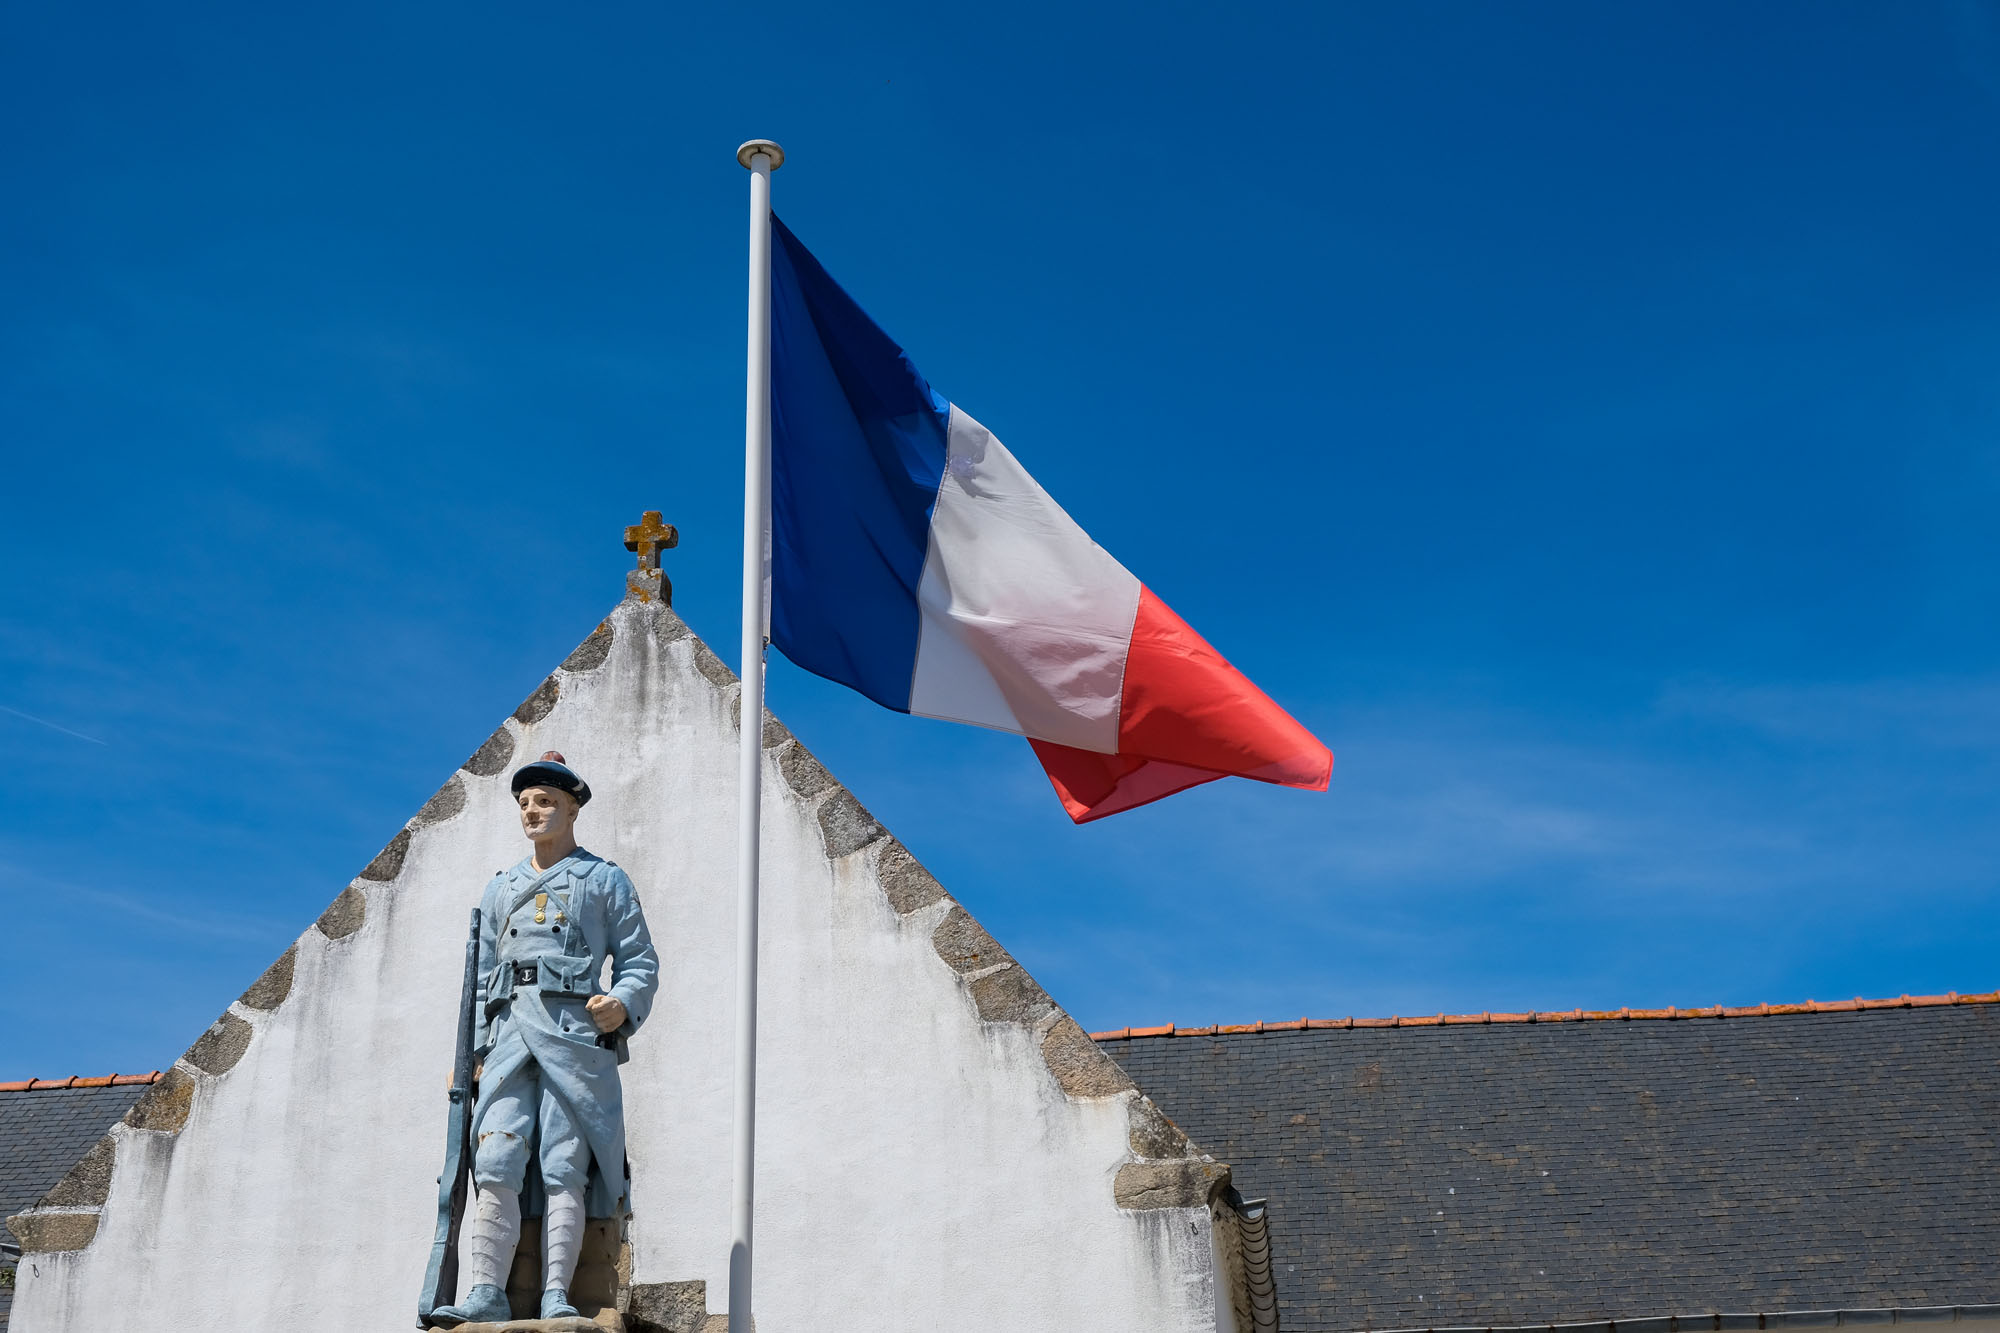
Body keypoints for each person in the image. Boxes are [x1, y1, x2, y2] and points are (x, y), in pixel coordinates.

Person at [430, 751, 660, 1327]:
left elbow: (639, 961)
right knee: (496, 1156)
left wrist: (621, 1003)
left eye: (546, 802)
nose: (532, 812)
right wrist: (470, 1052)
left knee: (563, 1163)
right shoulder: (500, 887)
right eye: (525, 803)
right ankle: (486, 1290)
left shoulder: (602, 879)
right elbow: (481, 981)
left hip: (572, 1034)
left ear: (572, 809)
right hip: (509, 1035)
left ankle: (558, 1292)